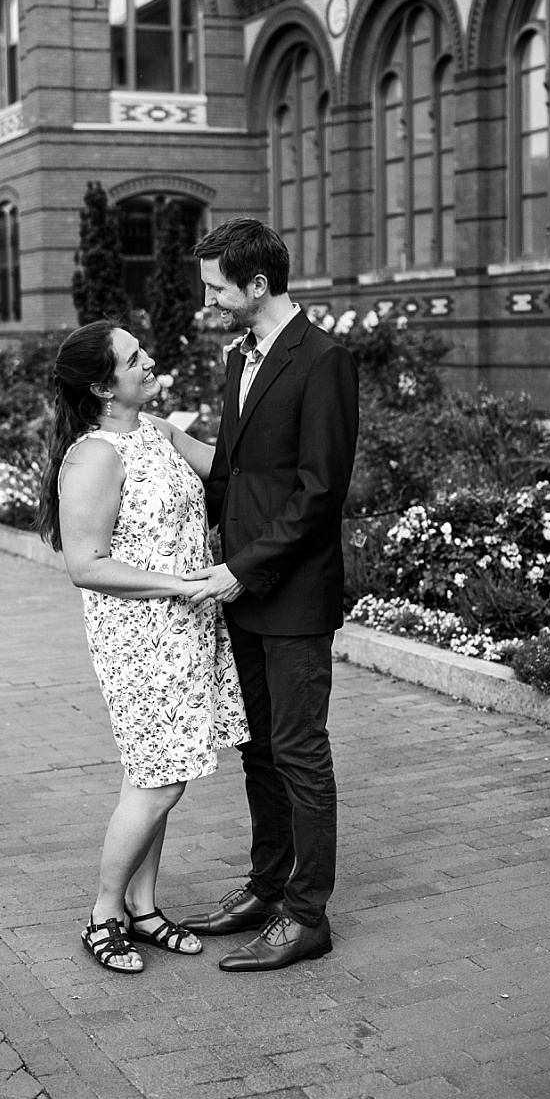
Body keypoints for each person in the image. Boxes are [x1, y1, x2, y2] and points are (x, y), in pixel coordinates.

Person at [34, 320, 249, 974]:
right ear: (102, 385)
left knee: (153, 772)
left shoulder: (156, 431)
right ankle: (104, 912)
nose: (149, 359)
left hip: (186, 626)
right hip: (141, 637)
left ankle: (144, 905)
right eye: (134, 357)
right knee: (161, 779)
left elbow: (233, 466)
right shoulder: (95, 455)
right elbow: (86, 563)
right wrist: (179, 583)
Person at [176, 218, 360, 972]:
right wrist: (167, 439)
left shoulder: (324, 359)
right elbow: (237, 469)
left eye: (217, 286)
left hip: (290, 592)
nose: (208, 298)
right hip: (241, 588)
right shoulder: (236, 357)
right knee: (258, 750)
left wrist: (244, 569)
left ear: (257, 285)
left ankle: (307, 916)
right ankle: (264, 886)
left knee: (300, 752)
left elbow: (320, 491)